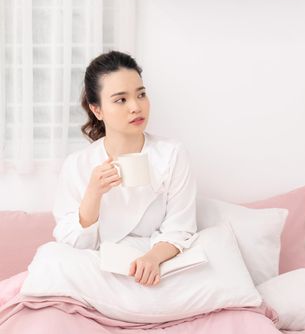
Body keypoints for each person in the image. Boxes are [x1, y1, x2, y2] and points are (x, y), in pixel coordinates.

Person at [26, 50, 199, 289]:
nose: (136, 107)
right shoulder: (78, 165)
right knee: (50, 259)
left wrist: (152, 259)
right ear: (97, 110)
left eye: (141, 95)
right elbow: (72, 242)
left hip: (155, 266)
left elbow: (181, 227)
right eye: (121, 99)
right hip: (95, 269)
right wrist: (93, 194)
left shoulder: (172, 154)